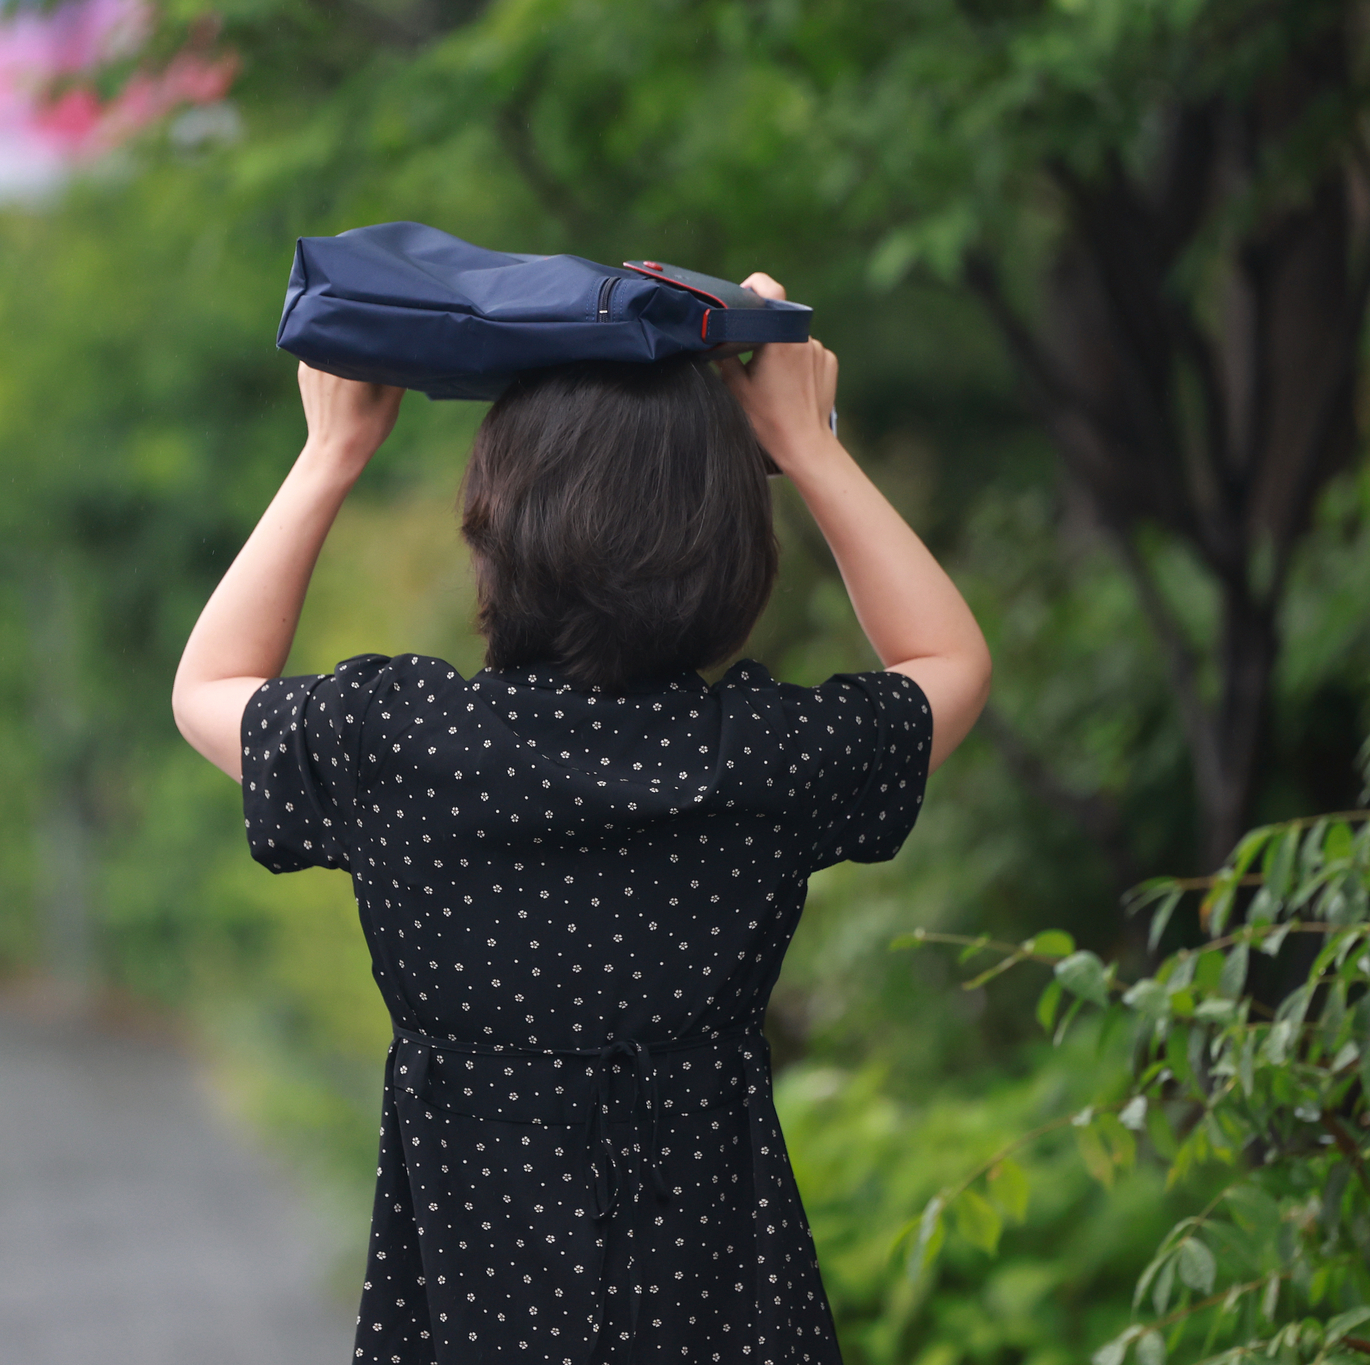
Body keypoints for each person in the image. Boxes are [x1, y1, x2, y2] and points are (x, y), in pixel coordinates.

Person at [171, 272, 990, 1365]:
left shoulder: (407, 748)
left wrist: (329, 456)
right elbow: (947, 663)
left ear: (495, 523)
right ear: (730, 543)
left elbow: (206, 685)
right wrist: (809, 445)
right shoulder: (751, 764)